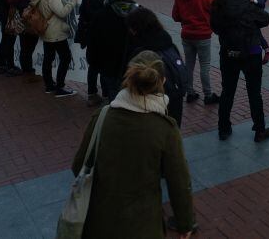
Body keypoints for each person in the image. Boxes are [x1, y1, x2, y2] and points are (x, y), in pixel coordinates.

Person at [71, 51, 194, 239]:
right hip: (143, 226)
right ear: (162, 81)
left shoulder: (102, 117)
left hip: (99, 222)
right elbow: (179, 182)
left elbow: (78, 165)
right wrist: (185, 223)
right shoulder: (165, 129)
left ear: (128, 79)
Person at [210, 0, 269, 142]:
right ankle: (259, 129)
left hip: (228, 52)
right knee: (254, 93)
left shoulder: (217, 6)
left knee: (227, 91)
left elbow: (214, 27)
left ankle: (224, 128)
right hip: (251, 52)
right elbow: (265, 19)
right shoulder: (247, 4)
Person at [126, 8, 189, 127]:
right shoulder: (169, 44)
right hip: (174, 101)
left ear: (135, 29)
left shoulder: (140, 53)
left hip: (150, 106)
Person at [27, 0, 79, 97]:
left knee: (48, 59)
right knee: (65, 57)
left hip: (46, 29)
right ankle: (60, 87)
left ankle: (49, 85)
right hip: (56, 31)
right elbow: (61, 12)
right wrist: (73, 1)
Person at [172, 0, 219, 105]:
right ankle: (208, 94)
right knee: (204, 65)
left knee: (189, 64)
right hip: (202, 35)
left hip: (187, 34)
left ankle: (190, 92)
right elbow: (215, 6)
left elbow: (175, 16)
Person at [87, 0, 138, 101]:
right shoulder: (139, 13)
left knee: (114, 98)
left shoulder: (101, 15)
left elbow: (93, 42)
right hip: (132, 65)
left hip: (108, 65)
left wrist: (94, 61)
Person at [76, 0, 118, 106]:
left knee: (93, 66)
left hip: (90, 33)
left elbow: (83, 12)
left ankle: (92, 93)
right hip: (101, 34)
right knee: (105, 65)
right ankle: (106, 94)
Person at [8, 0, 39, 80]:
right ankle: (28, 70)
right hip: (29, 26)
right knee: (28, 50)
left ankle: (26, 69)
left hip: (21, 27)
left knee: (24, 48)